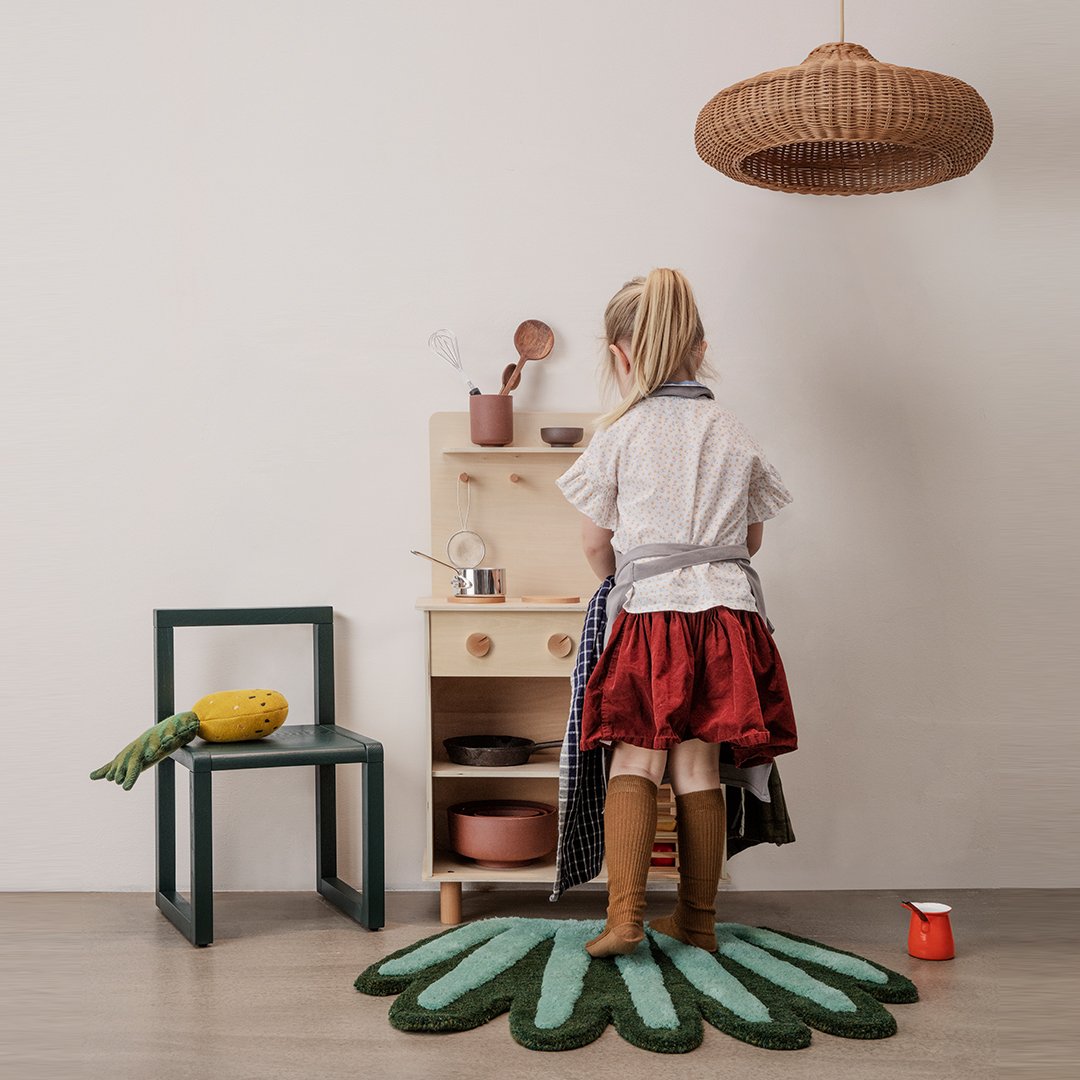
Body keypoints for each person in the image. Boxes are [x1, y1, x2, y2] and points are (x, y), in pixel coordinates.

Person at [555, 268, 798, 958]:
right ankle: (698, 923)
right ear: (699, 347)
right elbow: (750, 540)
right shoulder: (730, 428)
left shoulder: (621, 432)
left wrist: (617, 586)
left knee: (635, 763)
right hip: (728, 619)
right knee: (698, 768)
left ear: (620, 354)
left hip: (654, 614)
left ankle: (626, 918)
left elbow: (595, 541)